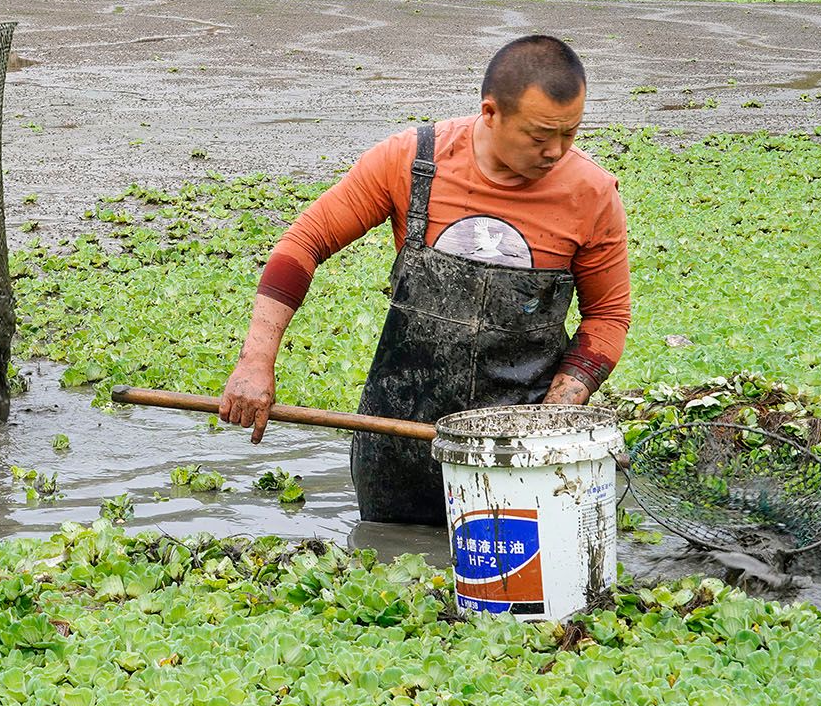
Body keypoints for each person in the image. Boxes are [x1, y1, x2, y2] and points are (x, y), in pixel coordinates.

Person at [217, 35, 631, 525]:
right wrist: (255, 362)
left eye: (570, 134)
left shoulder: (591, 193)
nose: (556, 152)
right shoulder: (413, 162)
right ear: (491, 113)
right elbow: (303, 244)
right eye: (540, 137)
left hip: (515, 448)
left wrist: (553, 415)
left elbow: (608, 316)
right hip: (396, 435)